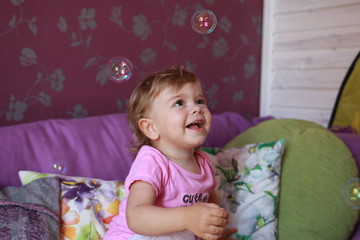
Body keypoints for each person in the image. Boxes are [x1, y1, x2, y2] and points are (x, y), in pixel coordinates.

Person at [105, 66, 236, 240]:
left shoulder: (204, 163)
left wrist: (214, 231)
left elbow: (209, 205)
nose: (196, 108)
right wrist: (188, 217)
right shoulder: (152, 162)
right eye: (179, 103)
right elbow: (136, 217)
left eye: (199, 100)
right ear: (151, 128)